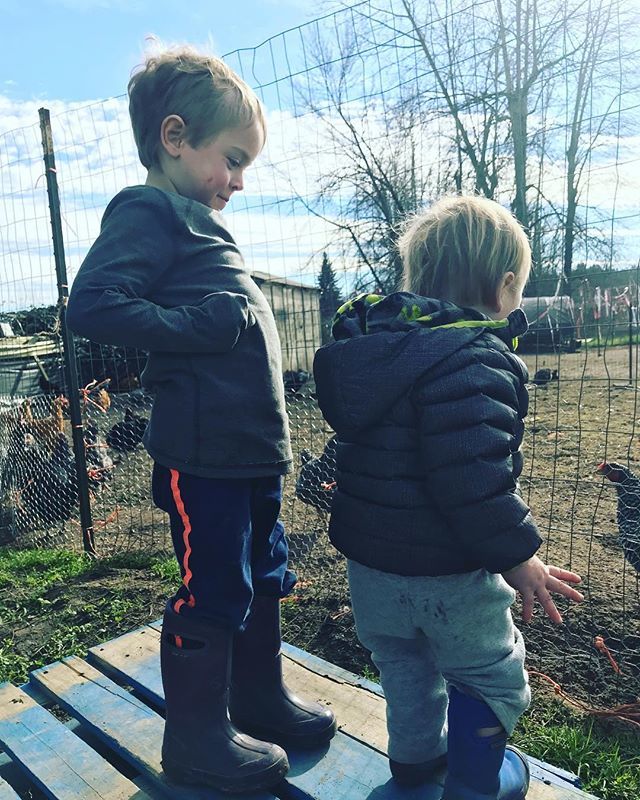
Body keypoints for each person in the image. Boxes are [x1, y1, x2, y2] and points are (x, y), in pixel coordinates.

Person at [66, 45, 336, 793]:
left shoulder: (196, 219)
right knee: (212, 585)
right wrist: (193, 327)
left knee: (264, 572)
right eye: (233, 160)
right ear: (176, 137)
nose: (239, 181)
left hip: (252, 451)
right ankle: (195, 739)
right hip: (204, 454)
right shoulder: (147, 210)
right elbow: (92, 305)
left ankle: (258, 699)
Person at [313, 196, 583, 800]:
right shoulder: (476, 358)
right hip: (448, 571)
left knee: (405, 667)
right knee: (489, 675)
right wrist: (519, 556)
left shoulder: (372, 353)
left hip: (372, 569)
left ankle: (415, 764)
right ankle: (473, 784)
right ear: (505, 287)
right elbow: (471, 479)